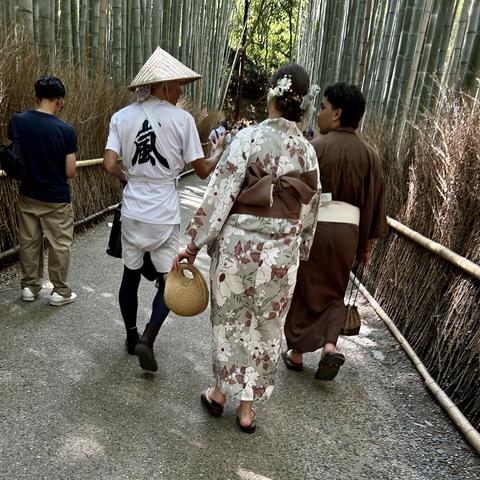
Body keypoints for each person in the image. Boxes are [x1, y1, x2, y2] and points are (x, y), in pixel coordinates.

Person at [173, 64, 321, 433]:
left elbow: (220, 195)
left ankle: (220, 393)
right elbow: (309, 211)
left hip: (239, 246)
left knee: (231, 321)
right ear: (303, 104)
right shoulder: (307, 152)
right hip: (281, 254)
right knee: (267, 328)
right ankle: (246, 409)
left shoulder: (248, 139)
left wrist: (192, 245)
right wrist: (300, 249)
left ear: (272, 94)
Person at [103, 47, 225, 372]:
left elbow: (109, 163)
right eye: (179, 85)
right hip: (164, 212)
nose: (182, 91)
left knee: (130, 275)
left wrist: (127, 178)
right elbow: (201, 170)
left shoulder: (121, 116)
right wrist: (218, 153)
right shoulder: (182, 120)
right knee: (168, 280)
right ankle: (148, 337)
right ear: (165, 84)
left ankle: (130, 336)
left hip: (132, 210)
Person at [283, 82, 388, 381]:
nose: (319, 113)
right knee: (333, 291)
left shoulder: (314, 148)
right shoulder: (370, 156)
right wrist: (364, 245)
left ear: (338, 113)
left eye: (324, 107)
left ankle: (298, 353)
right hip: (347, 234)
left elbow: (296, 193)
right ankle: (329, 346)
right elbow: (373, 203)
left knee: (305, 287)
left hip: (315, 228)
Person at [8, 75, 78, 306]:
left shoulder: (18, 120)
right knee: (60, 244)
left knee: (29, 241)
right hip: (56, 198)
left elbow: (15, 150)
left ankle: (30, 287)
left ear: (35, 97)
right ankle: (59, 291)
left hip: (28, 193)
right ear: (60, 100)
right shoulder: (66, 131)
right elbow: (70, 171)